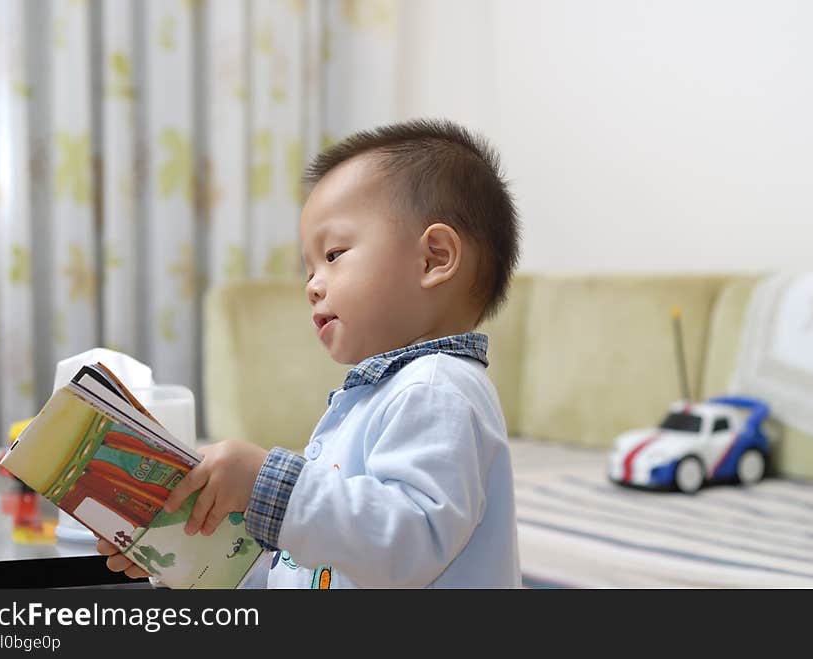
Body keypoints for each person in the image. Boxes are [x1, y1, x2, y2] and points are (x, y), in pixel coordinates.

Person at [98, 118, 522, 588]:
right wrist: (196, 553)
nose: (313, 286)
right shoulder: (371, 398)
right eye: (308, 270)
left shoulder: (439, 388)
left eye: (334, 254)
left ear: (433, 258)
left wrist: (266, 482)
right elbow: (314, 564)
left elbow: (407, 544)